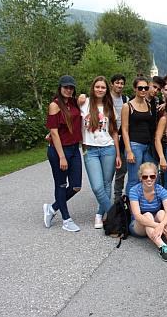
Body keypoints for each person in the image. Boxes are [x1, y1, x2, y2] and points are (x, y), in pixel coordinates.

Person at [80, 76, 122, 229]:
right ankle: (114, 215)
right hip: (90, 150)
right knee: (97, 187)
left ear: (106, 90)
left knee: (106, 184)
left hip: (108, 149)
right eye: (97, 87)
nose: (100, 89)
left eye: (103, 87)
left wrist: (118, 154)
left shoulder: (109, 107)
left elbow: (114, 132)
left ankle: (99, 214)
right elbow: (70, 117)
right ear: (93, 88)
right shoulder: (84, 103)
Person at [43, 75, 83, 232]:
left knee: (76, 186)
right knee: (61, 185)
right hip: (59, 151)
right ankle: (66, 219)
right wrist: (61, 156)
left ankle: (52, 208)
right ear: (60, 88)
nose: (68, 90)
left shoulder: (72, 103)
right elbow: (53, 132)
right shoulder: (55, 105)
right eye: (66, 87)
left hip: (74, 149)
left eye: (71, 87)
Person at [128, 162, 167, 262]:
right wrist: (157, 225)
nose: (149, 179)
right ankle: (162, 247)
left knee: (162, 213)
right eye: (145, 177)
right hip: (138, 226)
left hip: (156, 227)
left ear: (156, 176)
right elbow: (137, 216)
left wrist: (161, 225)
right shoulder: (134, 190)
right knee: (147, 215)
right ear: (140, 177)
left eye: (152, 176)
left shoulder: (161, 190)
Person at [121, 76, 156, 196]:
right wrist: (129, 151)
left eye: (146, 88)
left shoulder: (149, 104)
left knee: (151, 176)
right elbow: (124, 130)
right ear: (134, 89)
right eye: (140, 88)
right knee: (134, 179)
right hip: (134, 145)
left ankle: (146, 203)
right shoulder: (127, 106)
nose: (143, 90)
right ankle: (130, 208)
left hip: (147, 146)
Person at [109, 74, 129, 201]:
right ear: (112, 84)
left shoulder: (125, 99)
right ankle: (105, 195)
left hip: (121, 137)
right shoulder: (106, 98)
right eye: (117, 83)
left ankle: (117, 197)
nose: (119, 85)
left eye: (122, 83)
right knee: (108, 171)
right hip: (107, 136)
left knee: (121, 169)